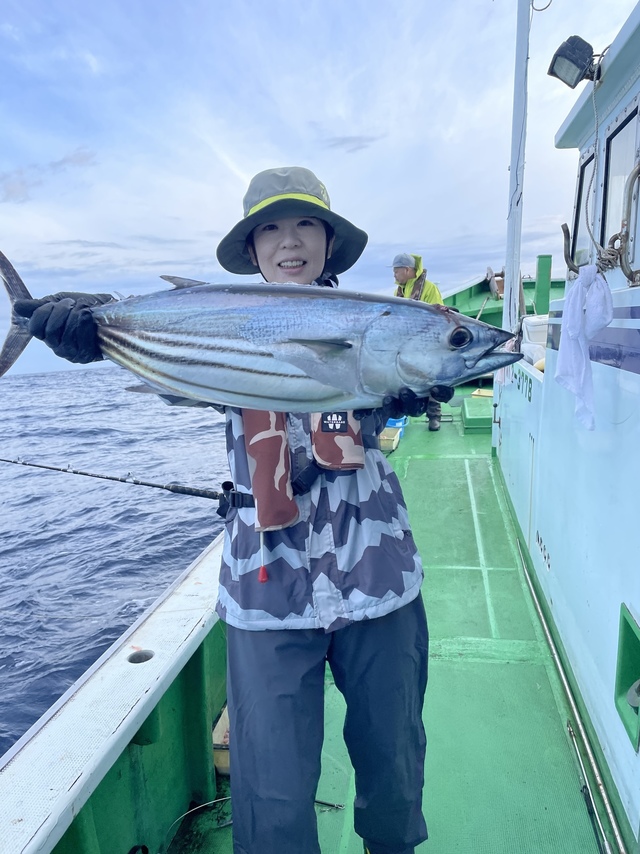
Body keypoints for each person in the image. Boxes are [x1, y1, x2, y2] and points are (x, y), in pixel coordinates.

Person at [14, 167, 454, 854]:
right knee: (271, 796)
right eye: (269, 229)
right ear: (250, 251)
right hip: (267, 583)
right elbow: (176, 369)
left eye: (305, 224)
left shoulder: (379, 321)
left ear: (329, 242)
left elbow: (410, 373)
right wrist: (95, 330)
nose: (288, 242)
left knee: (395, 768)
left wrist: (415, 383)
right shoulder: (224, 322)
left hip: (379, 571)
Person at [392, 253, 445, 431]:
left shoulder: (429, 289)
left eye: (396, 270)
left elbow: (438, 316)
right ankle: (404, 413)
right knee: (407, 379)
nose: (394, 275)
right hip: (407, 346)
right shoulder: (398, 291)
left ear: (407, 270)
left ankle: (434, 416)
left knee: (431, 380)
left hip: (427, 344)